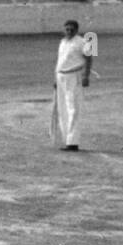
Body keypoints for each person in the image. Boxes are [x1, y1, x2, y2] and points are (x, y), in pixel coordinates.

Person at [53, 20, 93, 152]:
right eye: (67, 29)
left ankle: (73, 142)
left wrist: (86, 76)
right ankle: (66, 140)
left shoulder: (82, 42)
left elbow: (89, 58)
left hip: (74, 76)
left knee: (74, 108)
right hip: (61, 76)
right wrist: (55, 78)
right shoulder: (63, 42)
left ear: (76, 30)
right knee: (62, 108)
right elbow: (60, 60)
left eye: (71, 29)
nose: (69, 31)